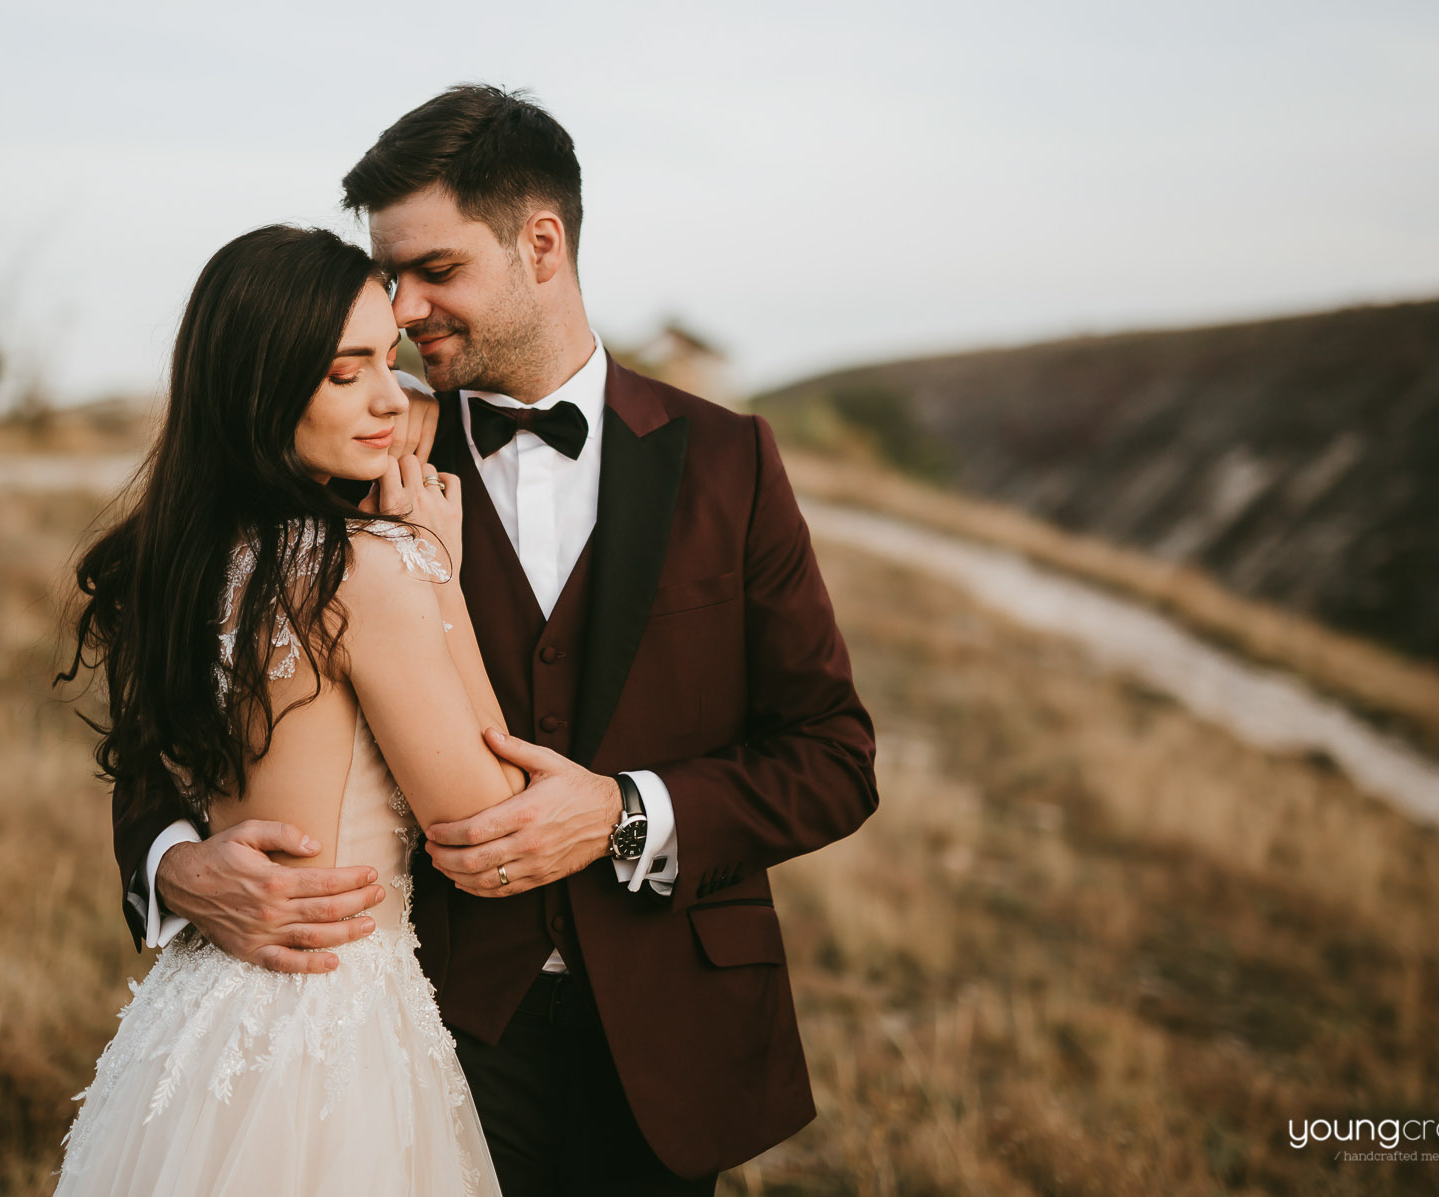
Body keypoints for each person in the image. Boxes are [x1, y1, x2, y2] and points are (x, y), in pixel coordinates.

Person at [117, 86, 879, 1195]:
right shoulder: (357, 446)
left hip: (668, 1035)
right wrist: (175, 866)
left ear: (540, 243)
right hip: (428, 1028)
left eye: (436, 270)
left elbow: (831, 754)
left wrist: (623, 812)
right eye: (390, 277)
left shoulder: (729, 461)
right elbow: (179, 700)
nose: (408, 308)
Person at [54, 223, 521, 1195]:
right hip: (330, 1021)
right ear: (262, 388)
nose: (392, 397)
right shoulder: (367, 568)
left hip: (197, 1014)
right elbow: (484, 818)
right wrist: (442, 574)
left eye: (386, 362)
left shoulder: (190, 562)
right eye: (344, 372)